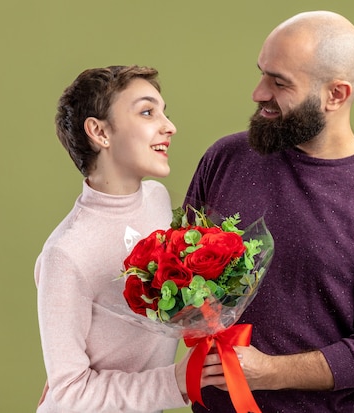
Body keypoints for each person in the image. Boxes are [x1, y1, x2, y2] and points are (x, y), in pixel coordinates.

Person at [184, 11, 354, 412]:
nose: (258, 92)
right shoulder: (225, 159)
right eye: (262, 74)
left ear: (335, 95)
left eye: (279, 82)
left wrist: (269, 372)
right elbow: (179, 274)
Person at [34, 65, 219, 413]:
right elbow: (70, 391)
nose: (169, 126)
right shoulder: (67, 253)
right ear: (100, 132)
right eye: (148, 112)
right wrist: (174, 381)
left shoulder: (158, 198)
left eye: (164, 111)